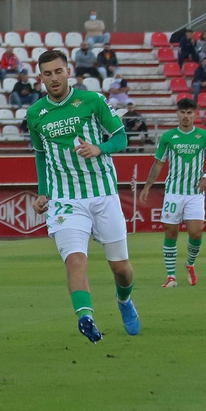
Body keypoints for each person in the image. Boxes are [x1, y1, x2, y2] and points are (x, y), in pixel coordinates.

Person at [26, 49, 137, 343]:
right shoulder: (35, 113)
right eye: (47, 74)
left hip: (102, 194)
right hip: (65, 200)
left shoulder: (92, 101)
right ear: (41, 77)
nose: (53, 78)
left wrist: (100, 148)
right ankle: (85, 317)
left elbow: (121, 138)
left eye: (58, 71)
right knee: (75, 260)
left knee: (122, 269)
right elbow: (40, 155)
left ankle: (124, 301)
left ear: (68, 71)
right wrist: (43, 193)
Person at [140, 99, 206, 288]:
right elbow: (158, 163)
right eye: (182, 112)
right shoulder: (168, 137)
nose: (186, 116)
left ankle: (190, 263)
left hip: (195, 193)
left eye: (189, 112)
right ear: (177, 114)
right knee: (171, 232)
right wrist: (148, 186)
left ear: (195, 114)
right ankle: (171, 276)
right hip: (173, 192)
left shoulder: (204, 136)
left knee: (196, 233)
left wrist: (205, 176)